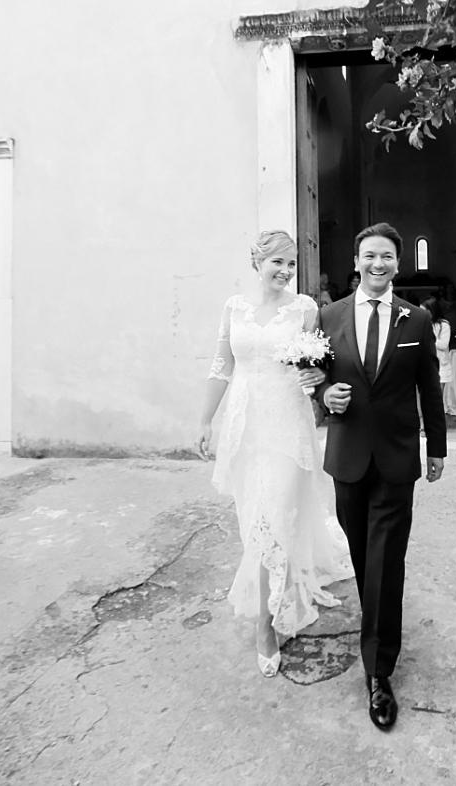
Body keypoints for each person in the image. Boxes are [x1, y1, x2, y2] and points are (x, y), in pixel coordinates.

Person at [197, 230, 352, 677]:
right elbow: (221, 365)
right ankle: (274, 589)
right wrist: (206, 419)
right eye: (277, 263)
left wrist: (315, 380)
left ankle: (266, 624)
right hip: (246, 425)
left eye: (291, 264)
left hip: (287, 422)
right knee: (253, 517)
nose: (285, 272)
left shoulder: (304, 310)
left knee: (274, 514)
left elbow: (322, 363)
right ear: (257, 263)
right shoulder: (234, 308)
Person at [315, 222, 446, 732]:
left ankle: (378, 671)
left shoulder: (416, 320)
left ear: (398, 262)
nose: (378, 264)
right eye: (370, 255)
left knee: (386, 561)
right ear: (357, 261)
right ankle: (377, 627)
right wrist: (324, 397)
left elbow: (430, 389)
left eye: (387, 257)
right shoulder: (328, 317)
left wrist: (436, 447)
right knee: (363, 555)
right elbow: (315, 375)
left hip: (395, 462)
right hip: (347, 458)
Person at [422, 295, 454, 405]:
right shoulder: (423, 324)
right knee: (425, 396)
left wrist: (428, 339)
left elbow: (443, 345)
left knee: (437, 396)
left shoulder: (443, 325)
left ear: (432, 311)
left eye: (424, 311)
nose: (422, 314)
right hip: (425, 365)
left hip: (441, 365)